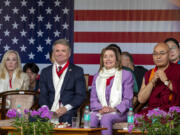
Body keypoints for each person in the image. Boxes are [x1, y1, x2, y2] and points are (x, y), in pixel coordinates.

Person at [39, 39, 86, 124]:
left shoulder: (77, 71)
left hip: (68, 110)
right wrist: (45, 109)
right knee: (34, 118)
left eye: (63, 51)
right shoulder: (45, 72)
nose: (60, 53)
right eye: (57, 51)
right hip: (49, 109)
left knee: (67, 116)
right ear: (53, 53)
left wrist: (66, 108)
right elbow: (43, 95)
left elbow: (80, 95)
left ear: (69, 54)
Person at [90, 46, 134, 135]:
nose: (108, 59)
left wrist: (113, 109)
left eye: (111, 56)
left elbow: (128, 100)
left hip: (120, 112)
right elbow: (93, 99)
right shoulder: (97, 76)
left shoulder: (126, 75)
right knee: (91, 116)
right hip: (101, 110)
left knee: (106, 118)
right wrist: (102, 108)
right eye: (105, 56)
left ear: (117, 59)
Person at [138, 43, 180, 114]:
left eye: (162, 53)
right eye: (155, 54)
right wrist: (152, 81)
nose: (158, 57)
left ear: (169, 54)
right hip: (152, 113)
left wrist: (166, 81)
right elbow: (141, 99)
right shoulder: (149, 74)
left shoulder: (178, 70)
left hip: (172, 113)